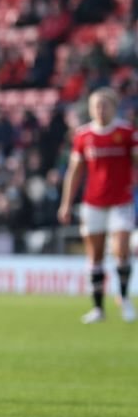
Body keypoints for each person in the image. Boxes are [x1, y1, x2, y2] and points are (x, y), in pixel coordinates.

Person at [58, 88, 137, 324]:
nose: (100, 111)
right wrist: (66, 203)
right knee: (95, 256)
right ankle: (98, 309)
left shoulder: (126, 133)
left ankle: (123, 299)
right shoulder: (83, 136)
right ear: (91, 109)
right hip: (92, 203)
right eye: (96, 107)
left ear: (114, 107)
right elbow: (75, 172)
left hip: (121, 201)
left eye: (105, 106)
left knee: (121, 249)